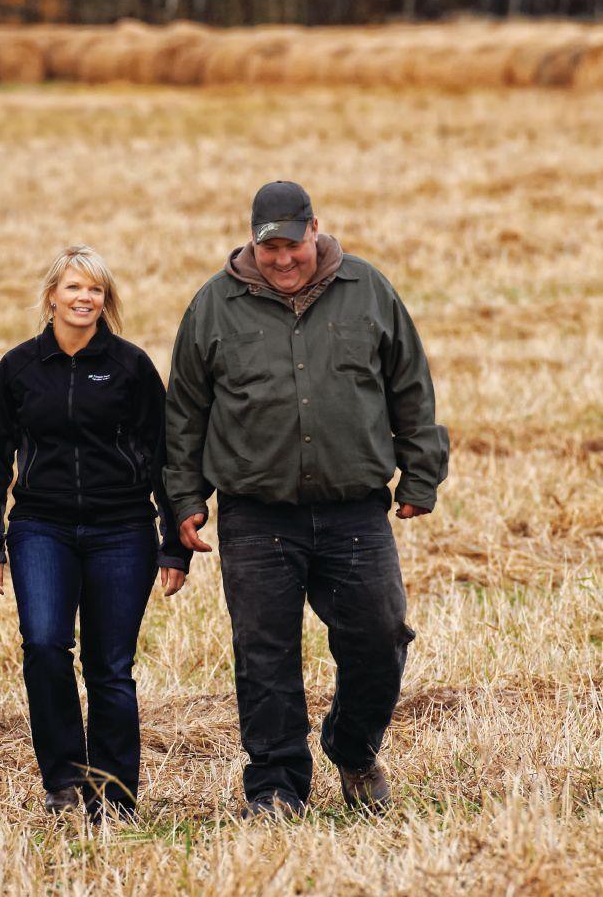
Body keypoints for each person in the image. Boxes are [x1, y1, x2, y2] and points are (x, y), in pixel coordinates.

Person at [164, 181, 448, 818]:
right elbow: (183, 414)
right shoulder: (213, 306)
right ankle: (276, 786)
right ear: (252, 241)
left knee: (381, 636)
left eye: (293, 245)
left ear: (315, 230)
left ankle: (354, 748)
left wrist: (420, 475)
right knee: (264, 653)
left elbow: (410, 386)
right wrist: (184, 499)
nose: (283, 259)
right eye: (270, 249)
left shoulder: (368, 290)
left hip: (354, 508)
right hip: (255, 512)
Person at [0, 245, 192, 819]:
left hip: (123, 530)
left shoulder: (130, 367)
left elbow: (164, 457)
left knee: (109, 666)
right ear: (52, 297)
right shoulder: (18, 369)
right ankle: (65, 781)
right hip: (41, 528)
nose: (84, 298)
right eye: (73, 287)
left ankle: (114, 795)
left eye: (95, 289)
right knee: (45, 647)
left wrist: (174, 544)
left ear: (105, 300)